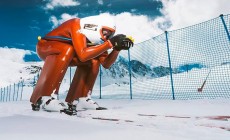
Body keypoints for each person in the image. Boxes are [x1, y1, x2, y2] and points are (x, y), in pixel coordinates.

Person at [30, 15, 134, 115]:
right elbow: (83, 55)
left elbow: (106, 63)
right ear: (94, 26)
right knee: (68, 49)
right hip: (46, 46)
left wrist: (116, 49)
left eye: (110, 35)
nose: (106, 37)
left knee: (94, 60)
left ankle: (81, 98)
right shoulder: (76, 24)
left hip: (70, 54)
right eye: (105, 32)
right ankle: (46, 98)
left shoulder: (97, 41)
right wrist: (109, 43)